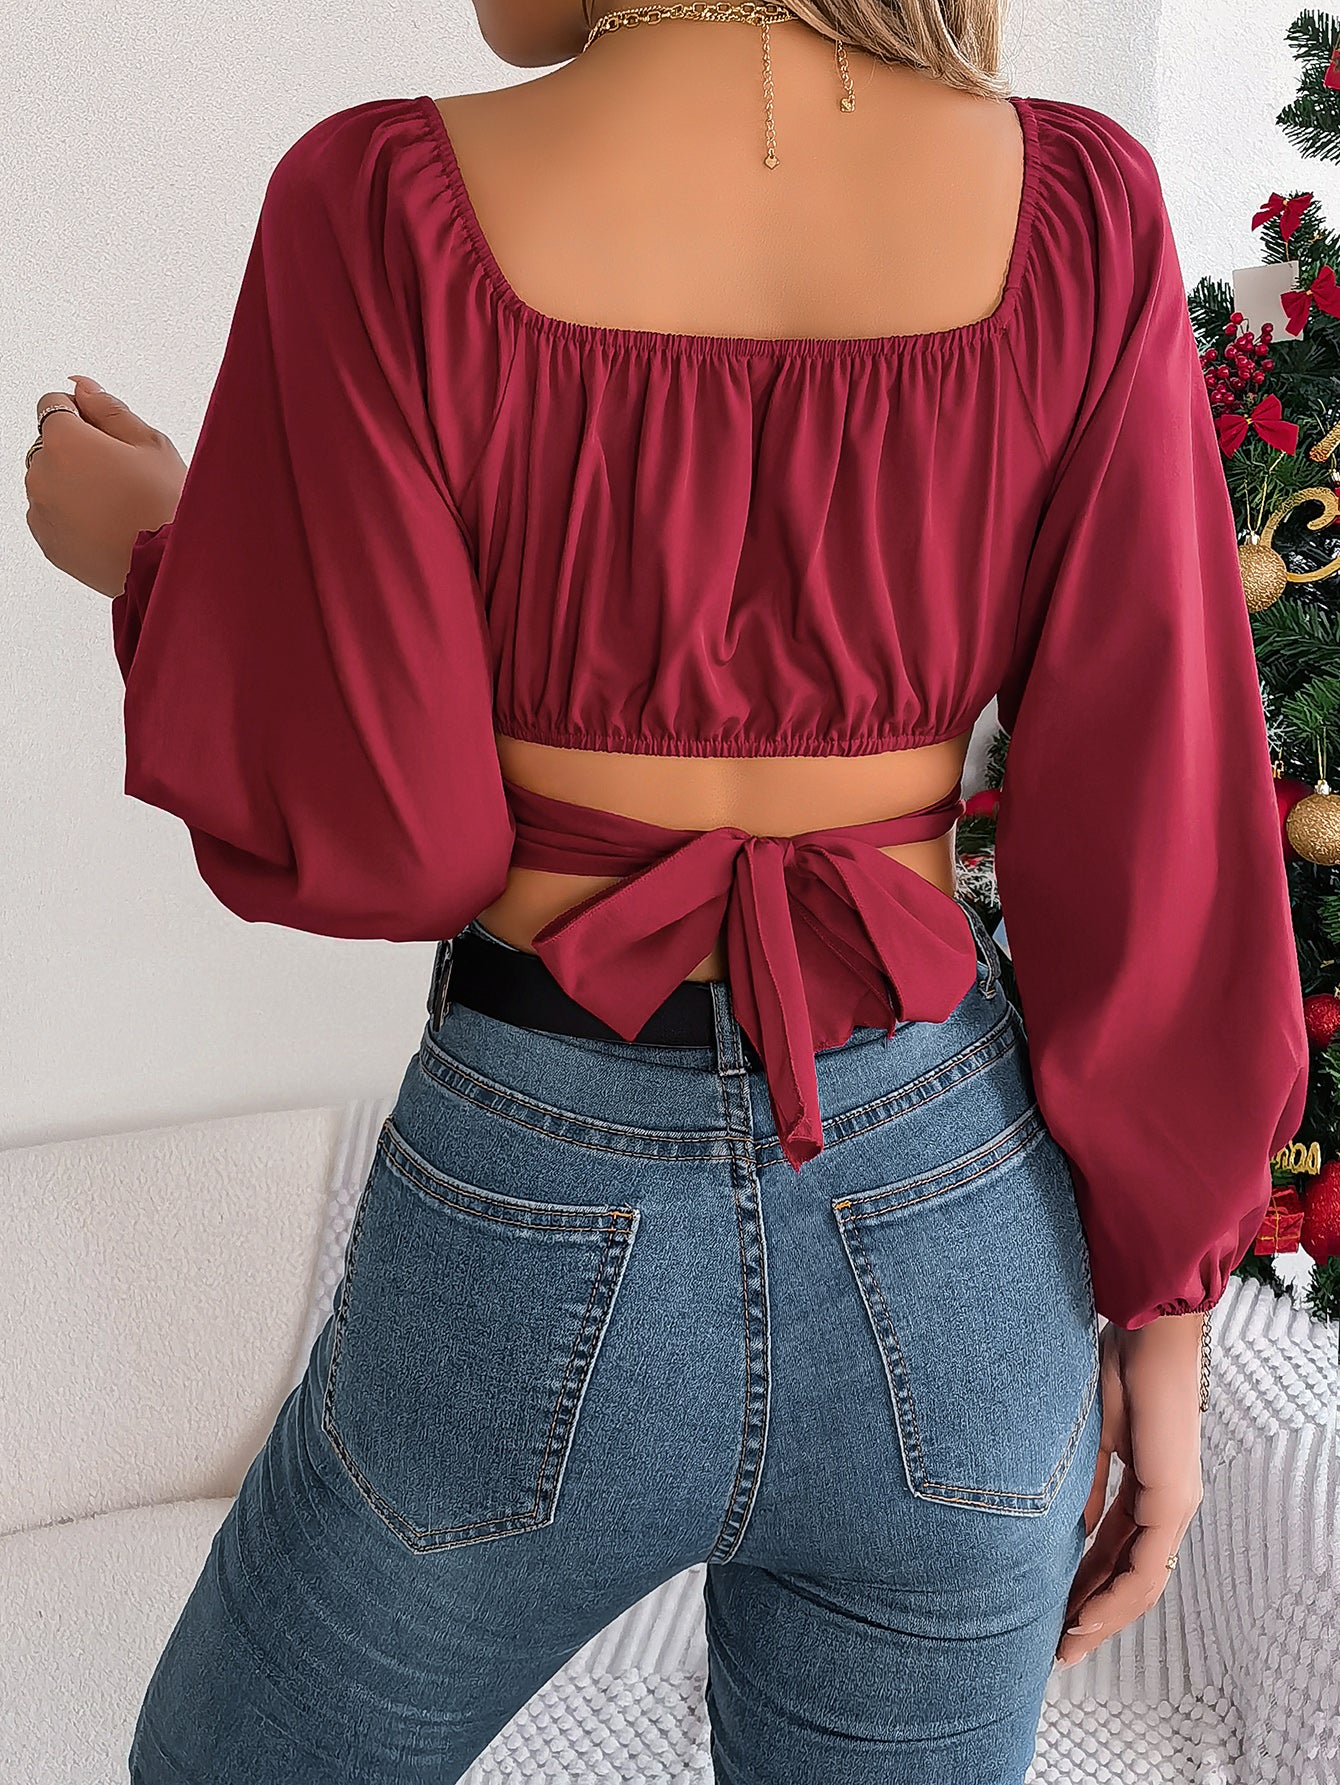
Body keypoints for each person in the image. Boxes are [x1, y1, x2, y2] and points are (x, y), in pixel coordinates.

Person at [24, 2, 1308, 1780]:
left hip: (532, 1199)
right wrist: (1164, 1317)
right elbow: (1158, 801)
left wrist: (158, 554)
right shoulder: (1079, 206)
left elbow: (400, 834)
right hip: (954, 1223)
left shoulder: (380, 202)